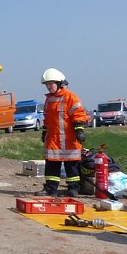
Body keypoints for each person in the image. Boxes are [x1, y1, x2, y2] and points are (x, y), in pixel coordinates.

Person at [37, 68, 89, 197]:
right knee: (51, 166)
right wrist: (44, 131)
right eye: (47, 84)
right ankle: (50, 189)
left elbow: (78, 114)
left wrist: (79, 130)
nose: (49, 87)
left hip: (69, 139)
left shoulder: (70, 97)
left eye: (51, 84)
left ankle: (73, 189)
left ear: (59, 83)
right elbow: (47, 118)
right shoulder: (48, 100)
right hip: (53, 139)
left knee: (71, 166)